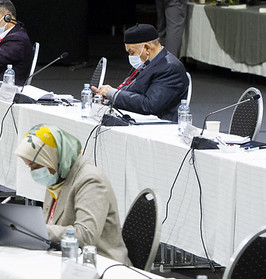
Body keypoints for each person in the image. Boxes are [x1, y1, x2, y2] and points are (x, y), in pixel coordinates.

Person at [15, 124, 130, 265]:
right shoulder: (57, 174)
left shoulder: (91, 180)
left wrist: (36, 229)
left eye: (35, 165)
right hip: (64, 256)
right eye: (29, 166)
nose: (33, 172)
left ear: (51, 157)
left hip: (100, 263)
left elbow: (85, 236)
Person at [92, 24, 188, 121]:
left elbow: (150, 105)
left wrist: (113, 93)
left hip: (158, 126)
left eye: (131, 52)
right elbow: (130, 92)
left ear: (146, 48)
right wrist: (107, 98)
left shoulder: (170, 68)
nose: (130, 56)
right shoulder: (145, 62)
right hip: (135, 118)